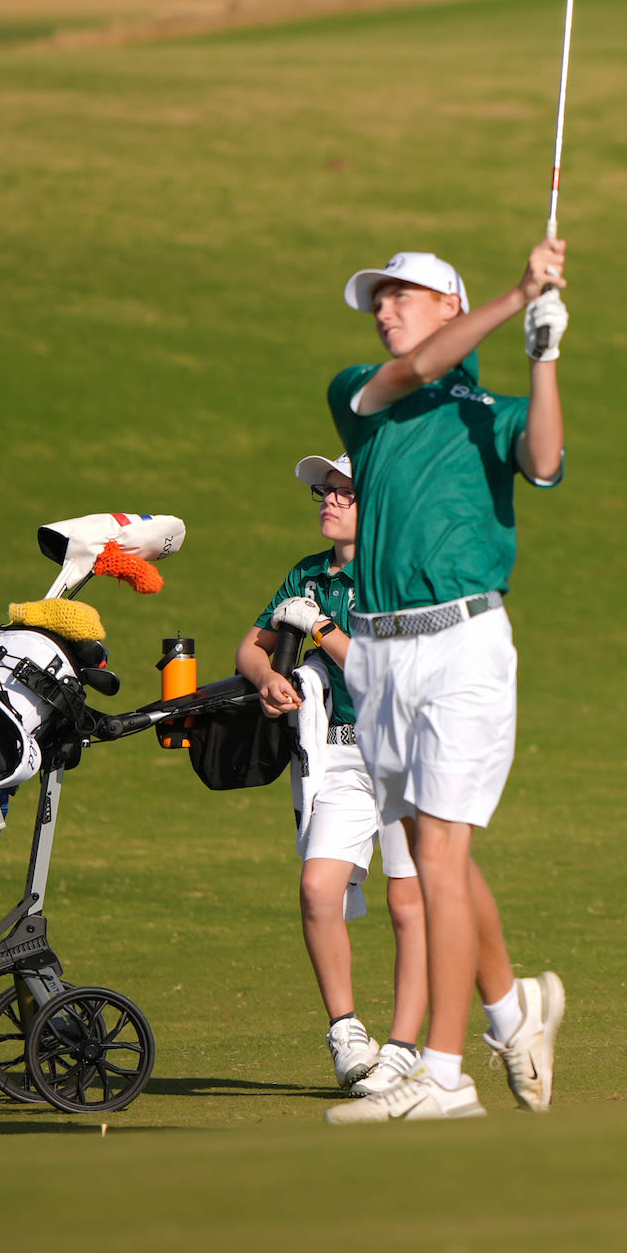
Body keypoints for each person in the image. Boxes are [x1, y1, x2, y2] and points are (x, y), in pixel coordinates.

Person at [320, 246, 570, 1124]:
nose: (383, 310)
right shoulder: (364, 392)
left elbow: (543, 459)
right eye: (377, 299)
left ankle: (446, 1075)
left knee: (438, 860)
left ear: (446, 301)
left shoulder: (489, 414)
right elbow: (418, 367)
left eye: (401, 296)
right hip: (380, 652)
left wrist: (542, 356)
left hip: (462, 640)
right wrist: (519, 295)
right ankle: (514, 1013)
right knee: (436, 849)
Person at [235, 454, 427, 1096]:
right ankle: (347, 1033)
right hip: (342, 754)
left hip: (407, 752)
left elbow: (378, 670)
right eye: (324, 491)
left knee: (409, 904)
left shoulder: (397, 572)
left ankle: (403, 1048)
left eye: (342, 492)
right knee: (319, 890)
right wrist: (267, 680)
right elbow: (252, 645)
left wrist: (317, 627)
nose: (328, 501)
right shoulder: (307, 573)